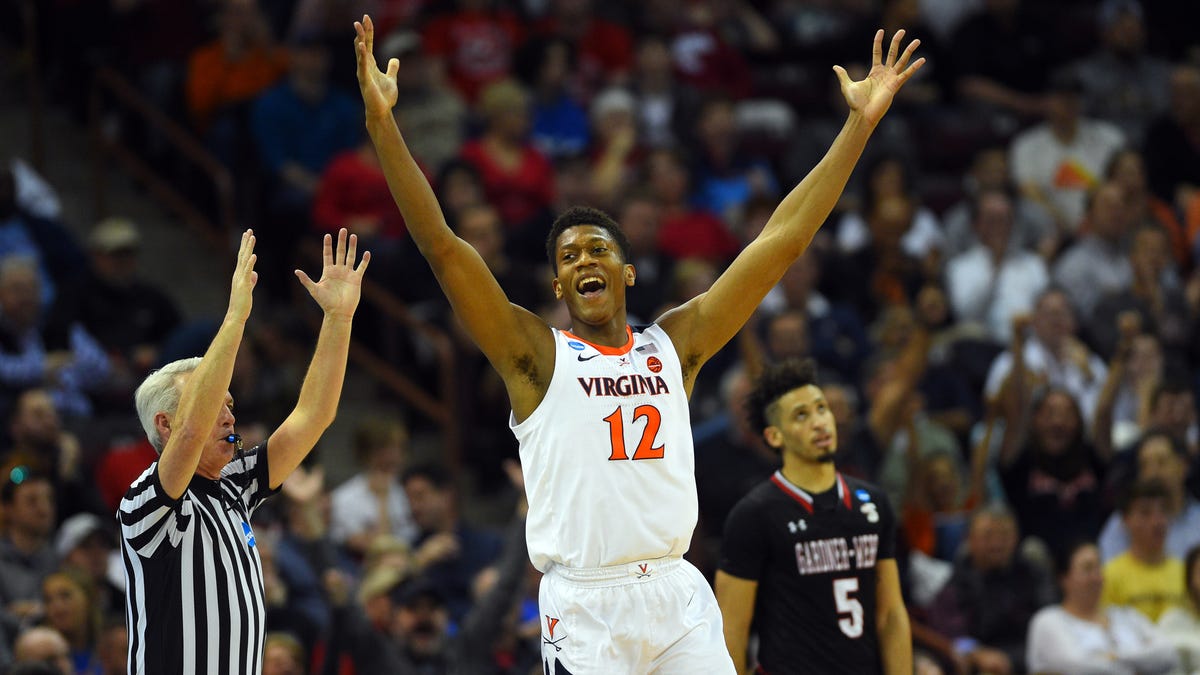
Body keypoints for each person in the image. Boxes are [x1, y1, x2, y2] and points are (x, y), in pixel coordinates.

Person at [355, 14, 922, 673]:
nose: (584, 258)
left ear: (625, 271)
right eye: (568, 255)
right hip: (587, 603)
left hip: (677, 593)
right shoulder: (536, 356)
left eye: (599, 247)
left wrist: (857, 127)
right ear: (560, 282)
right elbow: (444, 249)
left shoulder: (673, 343)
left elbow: (782, 242)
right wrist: (382, 126)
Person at [118, 228, 368, 674]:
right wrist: (235, 319)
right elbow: (192, 435)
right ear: (165, 423)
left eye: (230, 405)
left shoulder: (235, 484)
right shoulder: (144, 503)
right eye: (215, 403)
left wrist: (338, 320)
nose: (229, 416)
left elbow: (313, 416)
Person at [715, 359, 910, 674]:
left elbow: (890, 614)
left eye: (822, 408)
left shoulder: (873, 504)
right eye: (801, 415)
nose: (819, 423)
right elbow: (731, 629)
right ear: (775, 436)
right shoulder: (754, 514)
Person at [1026, 540, 1178, 674]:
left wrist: (1115, 657)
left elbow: (1168, 654)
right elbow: (1079, 667)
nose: (1096, 577)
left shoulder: (1126, 615)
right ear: (1064, 578)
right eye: (1087, 569)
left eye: (1099, 567)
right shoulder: (1049, 621)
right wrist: (1141, 664)